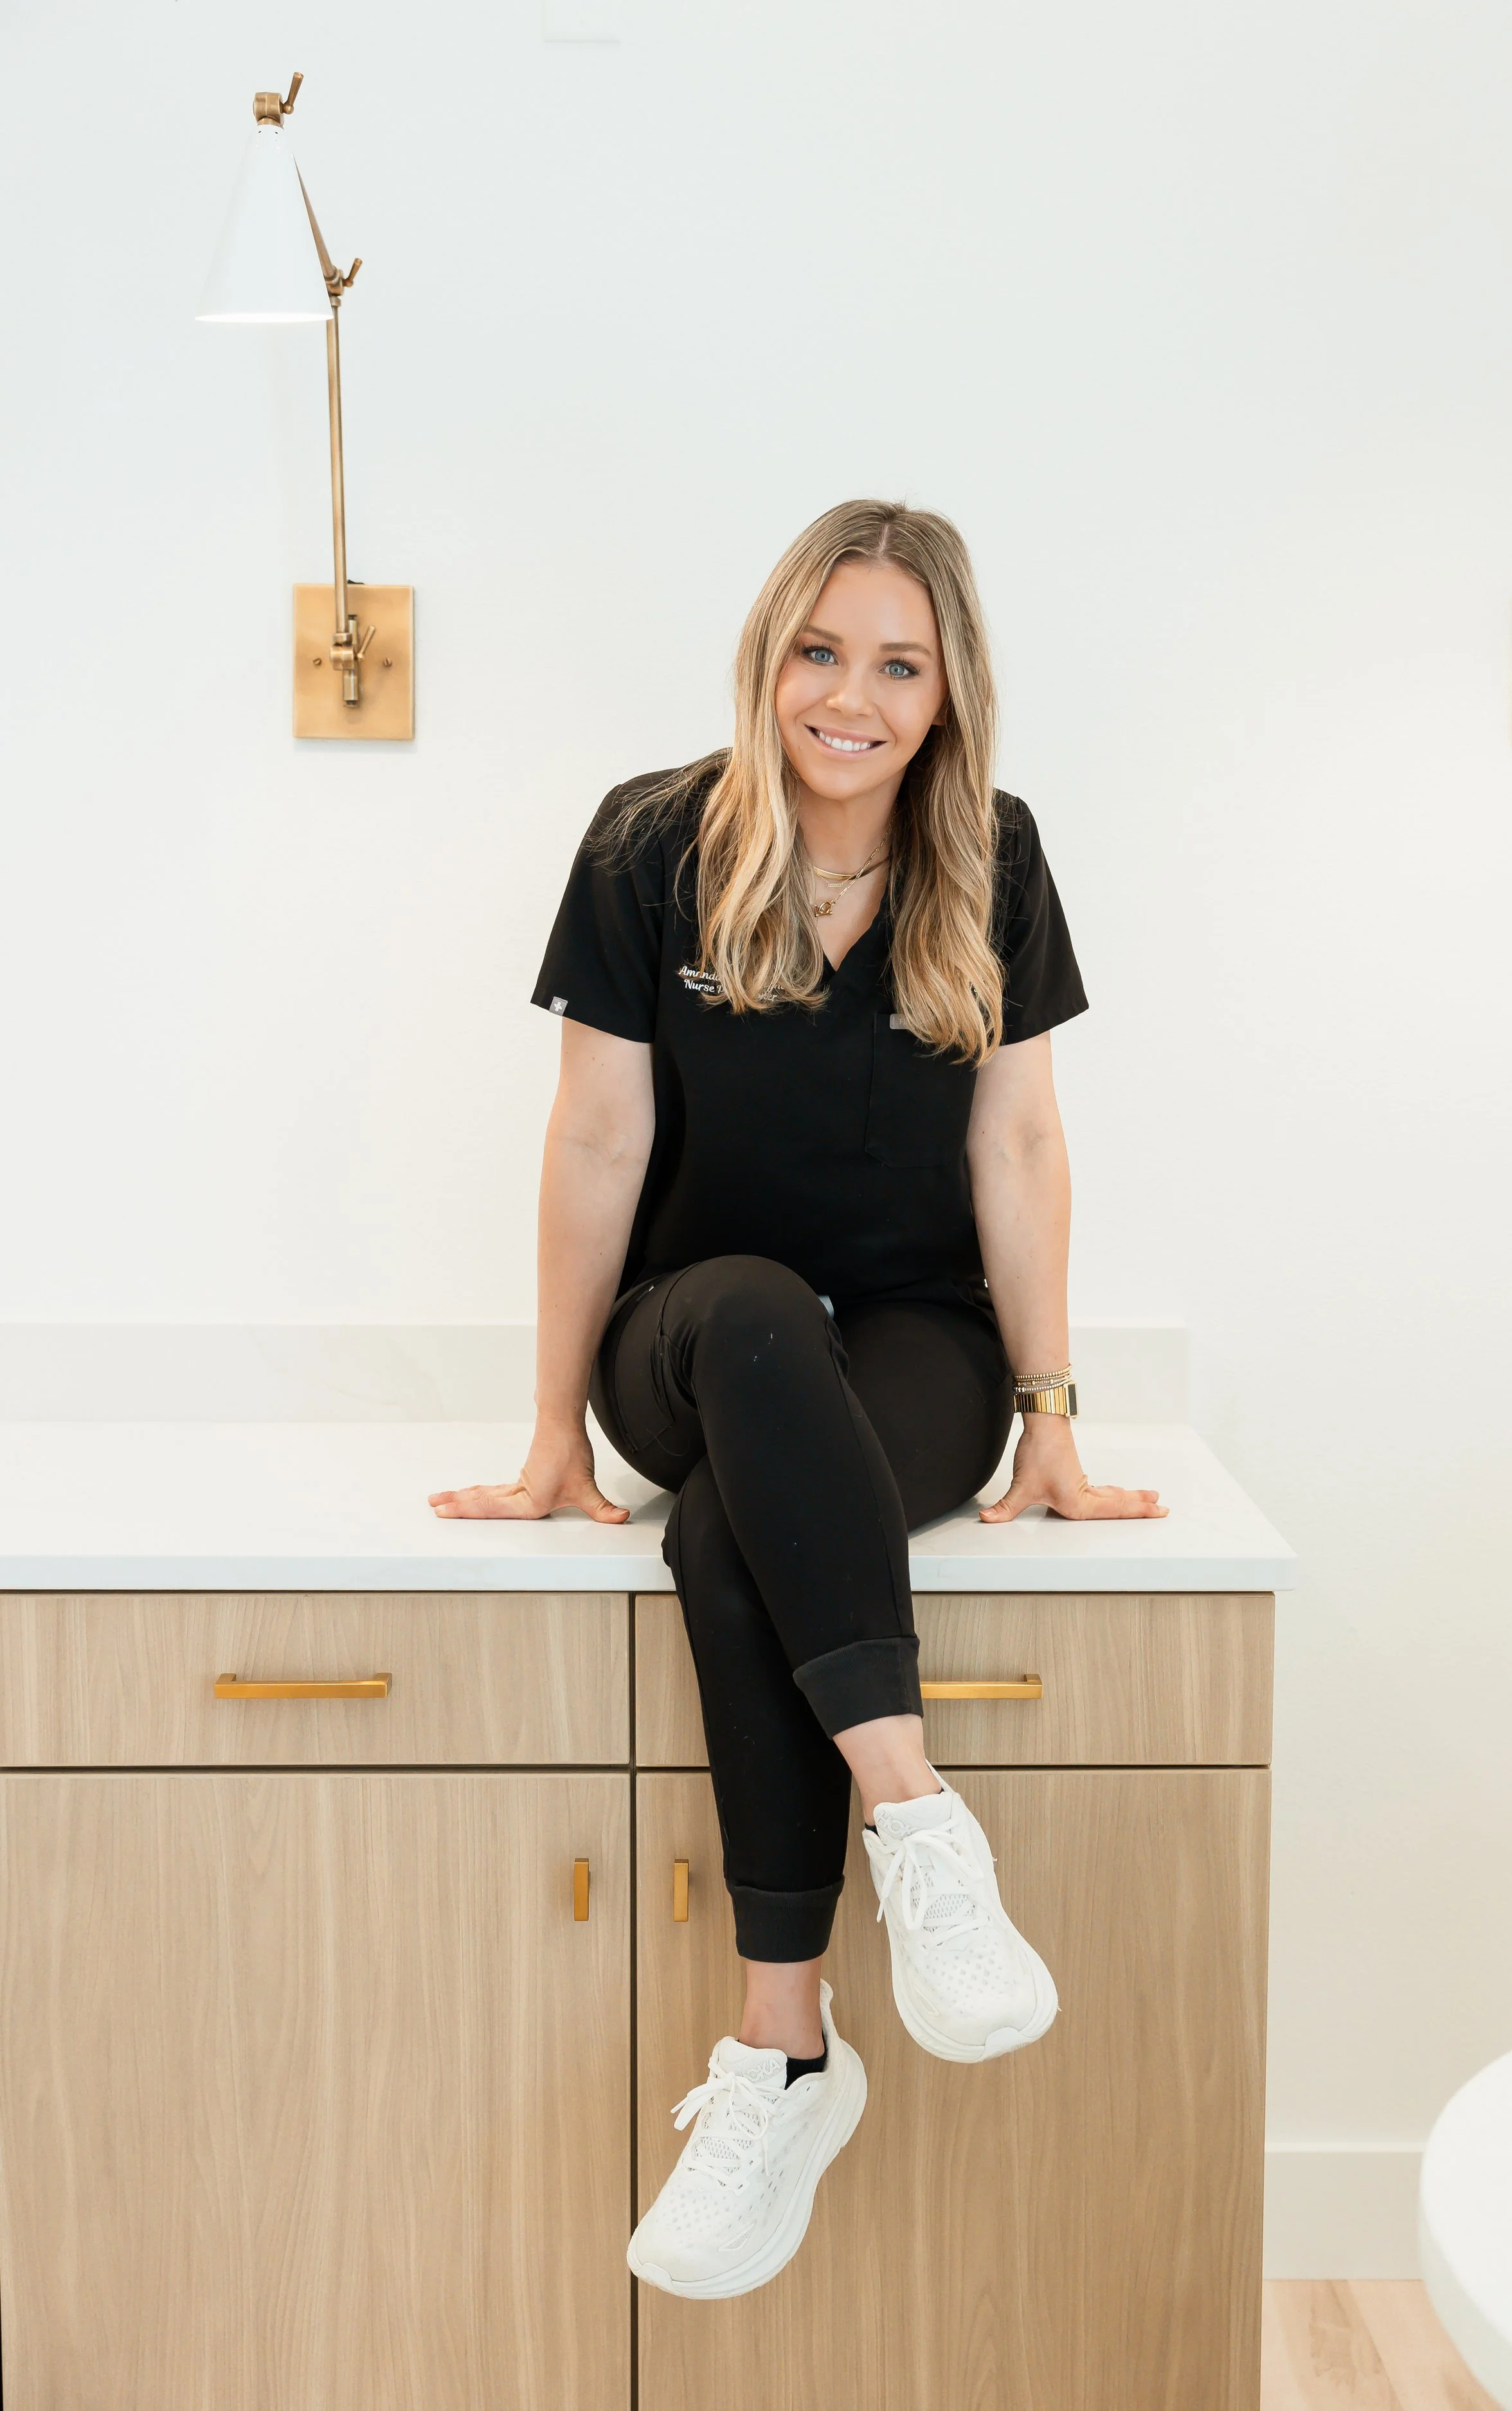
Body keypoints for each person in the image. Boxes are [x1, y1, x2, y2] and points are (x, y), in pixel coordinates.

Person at [429, 498, 1166, 2302]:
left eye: (897, 662)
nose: (850, 694)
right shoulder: (651, 840)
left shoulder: (992, 851)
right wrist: (547, 1429)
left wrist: (1050, 1413)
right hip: (691, 1334)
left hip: (913, 1342)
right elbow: (597, 1135)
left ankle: (782, 2051)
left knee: (746, 1539)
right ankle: (918, 1826)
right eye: (820, 649)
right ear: (769, 654)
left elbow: (1018, 1136)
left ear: (946, 689)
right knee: (752, 1330)